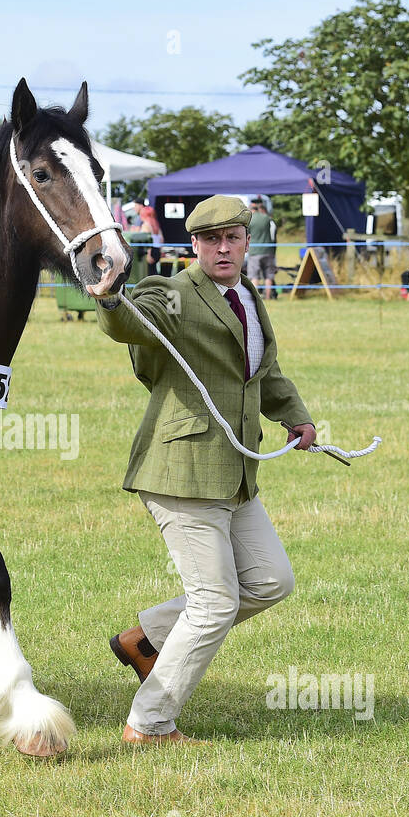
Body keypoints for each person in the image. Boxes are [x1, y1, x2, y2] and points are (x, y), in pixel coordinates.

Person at [96, 195, 315, 745]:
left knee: (270, 581)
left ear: (247, 241)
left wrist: (295, 418)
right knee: (214, 602)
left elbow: (264, 373)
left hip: (236, 472)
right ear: (193, 245)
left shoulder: (248, 294)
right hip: (181, 471)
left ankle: (145, 639)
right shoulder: (172, 293)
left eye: (233, 238)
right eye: (211, 239)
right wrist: (109, 296)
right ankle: (149, 724)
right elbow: (133, 321)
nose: (223, 248)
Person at [246, 197, 277, 300]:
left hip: (255, 251)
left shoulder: (250, 220)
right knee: (268, 275)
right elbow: (273, 233)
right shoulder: (267, 218)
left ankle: (256, 299)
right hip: (268, 251)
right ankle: (268, 297)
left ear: (251, 208)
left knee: (254, 276)